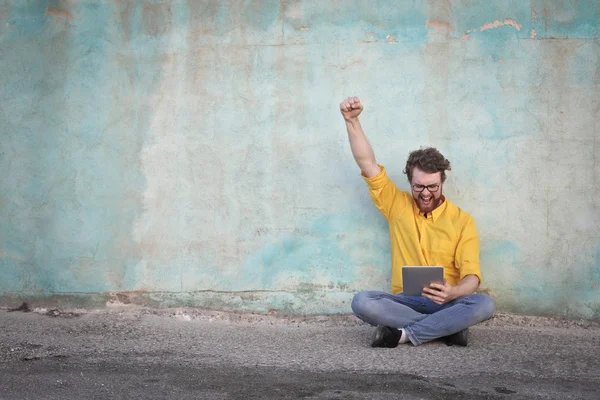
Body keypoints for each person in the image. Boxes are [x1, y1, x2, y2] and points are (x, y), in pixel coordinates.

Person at [340, 96, 495, 347]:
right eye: (418, 186)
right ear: (409, 181)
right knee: (362, 301)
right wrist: (352, 120)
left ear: (442, 181)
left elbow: (472, 278)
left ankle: (404, 334)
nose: (425, 193)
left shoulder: (462, 221)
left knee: (484, 303)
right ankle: (446, 328)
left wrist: (453, 292)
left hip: (448, 302)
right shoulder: (396, 205)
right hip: (406, 301)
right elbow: (367, 163)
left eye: (432, 186)